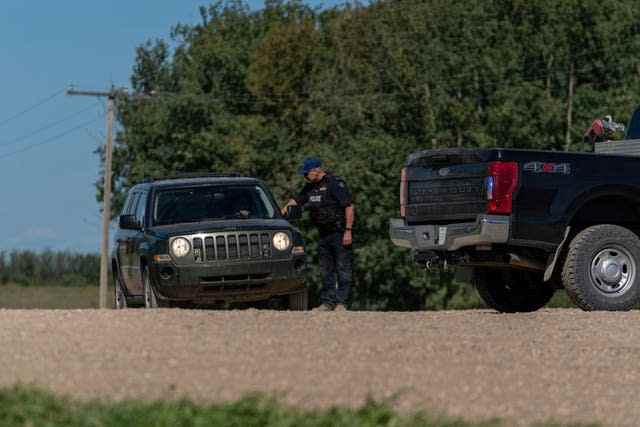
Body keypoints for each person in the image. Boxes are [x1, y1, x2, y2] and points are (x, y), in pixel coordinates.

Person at [282, 157, 354, 311]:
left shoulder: (334, 183)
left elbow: (349, 206)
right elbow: (296, 201)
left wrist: (348, 231)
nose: (305, 177)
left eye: (306, 173)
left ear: (316, 170)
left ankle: (341, 303)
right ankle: (328, 302)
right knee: (326, 270)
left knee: (343, 268)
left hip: (339, 232)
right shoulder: (310, 187)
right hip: (323, 234)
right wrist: (280, 212)